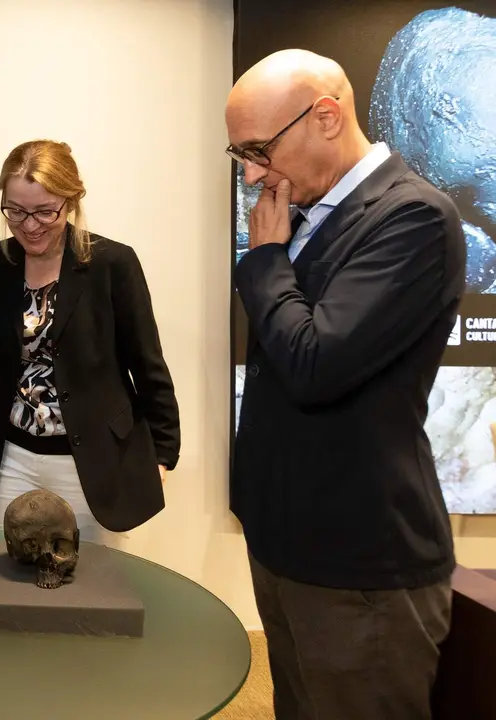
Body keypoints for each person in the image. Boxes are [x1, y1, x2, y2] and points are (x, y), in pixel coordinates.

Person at [226, 49, 466, 719]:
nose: (250, 174)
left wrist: (267, 258)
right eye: (237, 153)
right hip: (289, 545)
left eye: (259, 149)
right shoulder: (306, 213)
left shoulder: (412, 217)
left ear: (327, 117)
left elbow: (313, 363)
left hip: (361, 562)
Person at [0, 139, 180, 546]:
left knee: (94, 587)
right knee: (13, 583)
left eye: (45, 211)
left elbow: (147, 363)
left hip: (94, 462)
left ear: (72, 201)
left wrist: (164, 453)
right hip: (12, 459)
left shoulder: (113, 264)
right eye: (16, 211)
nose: (29, 225)